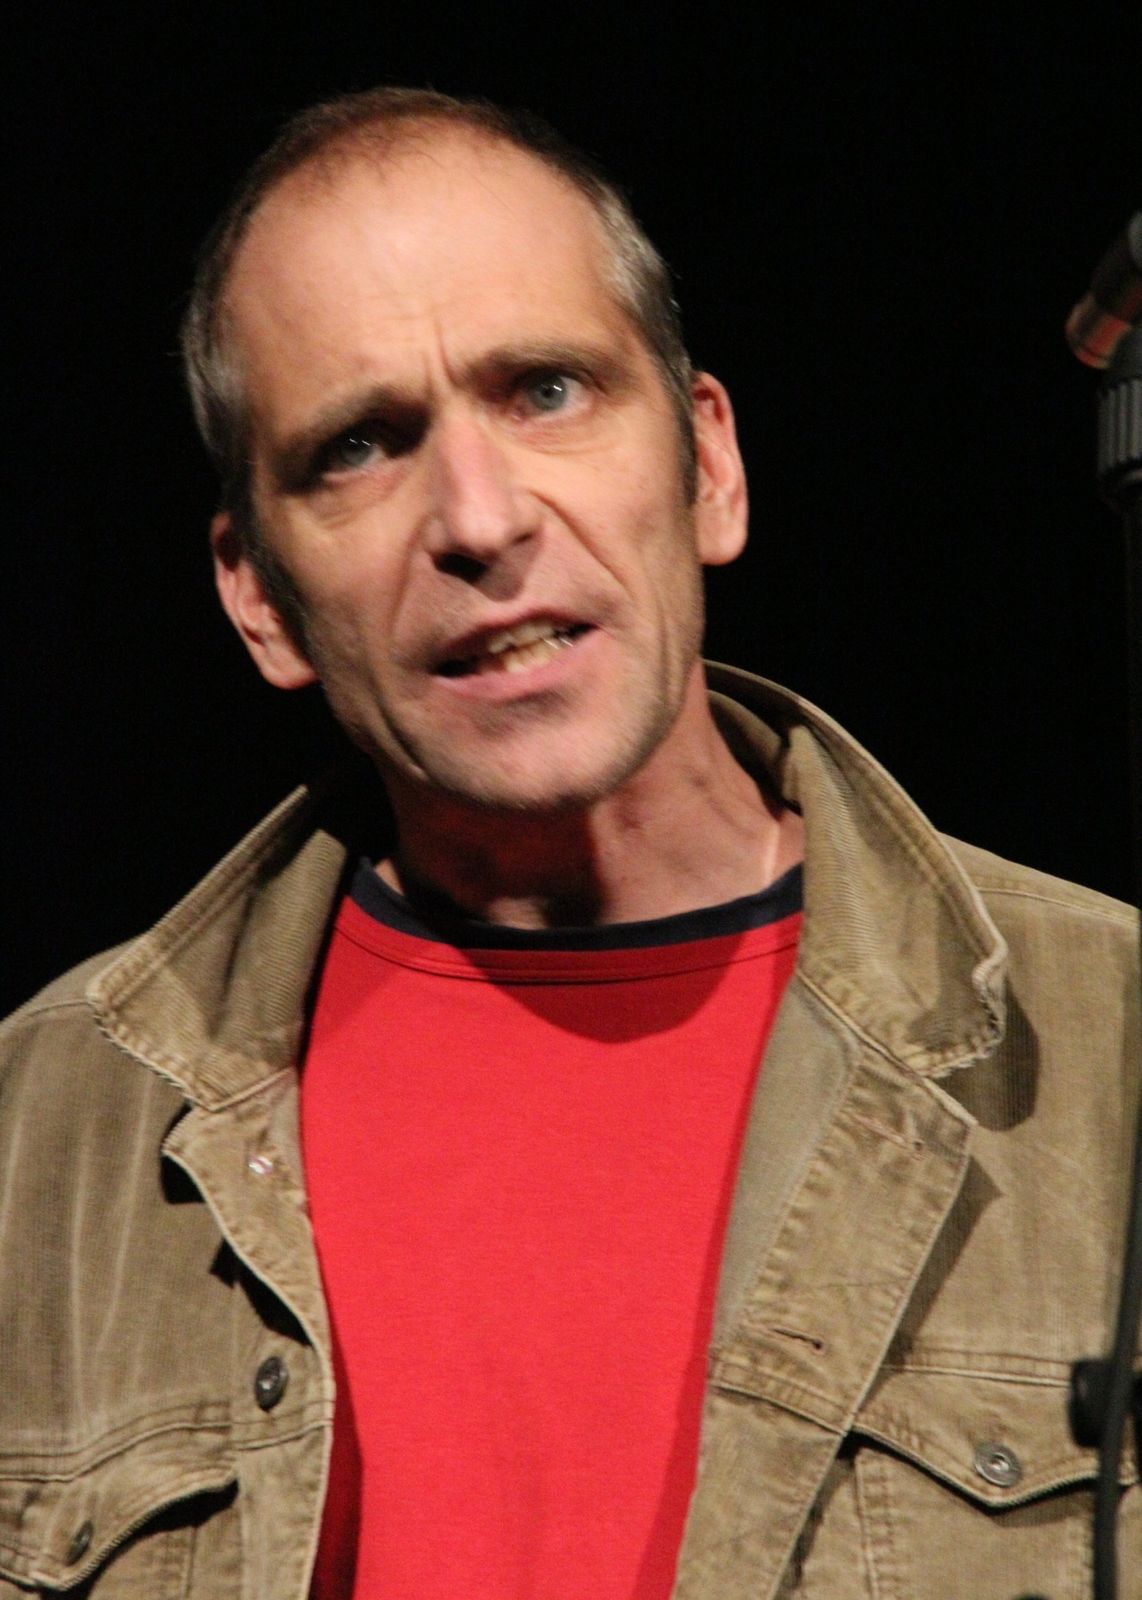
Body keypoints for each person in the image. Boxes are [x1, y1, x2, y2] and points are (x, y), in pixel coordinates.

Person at [0, 87, 1138, 1600]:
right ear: (258, 597)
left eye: (545, 390)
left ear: (708, 466)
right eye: (358, 447)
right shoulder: (44, 1138)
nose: (478, 520)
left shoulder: (1109, 1047)